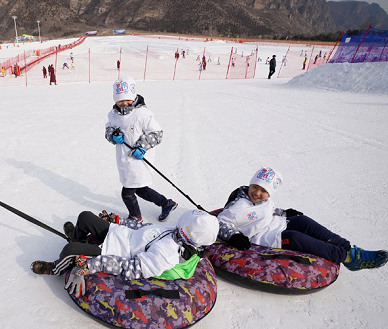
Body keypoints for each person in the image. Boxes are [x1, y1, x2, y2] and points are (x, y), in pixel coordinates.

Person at [217, 167, 387, 270]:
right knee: (294, 238)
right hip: (265, 237)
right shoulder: (238, 207)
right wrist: (234, 236)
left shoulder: (264, 200)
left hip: (276, 224)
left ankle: (351, 249)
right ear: (250, 184)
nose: (258, 193)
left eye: (264, 191)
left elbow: (268, 210)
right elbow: (222, 221)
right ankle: (346, 257)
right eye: (255, 187)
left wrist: (285, 213)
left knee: (303, 221)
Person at [31, 209, 219, 297]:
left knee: (71, 251)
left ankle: (55, 268)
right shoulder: (176, 232)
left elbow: (132, 268)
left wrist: (91, 265)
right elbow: (145, 228)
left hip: (116, 251)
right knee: (85, 217)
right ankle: (77, 237)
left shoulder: (168, 254)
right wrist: (118, 221)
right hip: (121, 235)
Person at [105, 76, 178, 223]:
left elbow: (157, 133)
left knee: (127, 193)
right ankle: (166, 203)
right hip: (124, 161)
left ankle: (135, 216)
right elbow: (108, 129)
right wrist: (112, 135)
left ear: (133, 96)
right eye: (120, 101)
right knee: (141, 189)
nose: (124, 103)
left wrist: (142, 146)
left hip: (139, 161)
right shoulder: (113, 115)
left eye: (127, 100)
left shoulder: (142, 114)